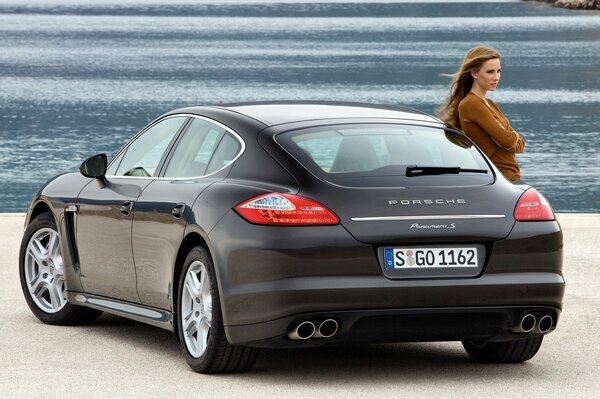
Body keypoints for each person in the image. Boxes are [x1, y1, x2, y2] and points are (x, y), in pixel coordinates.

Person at [437, 45, 525, 183]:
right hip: (498, 179)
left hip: (509, 178)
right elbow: (508, 140)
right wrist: (512, 138)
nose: (496, 77)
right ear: (474, 73)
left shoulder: (490, 104)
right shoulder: (471, 104)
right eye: (490, 72)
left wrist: (510, 139)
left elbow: (520, 145)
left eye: (498, 71)